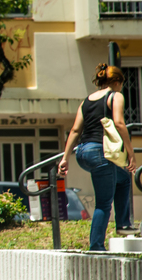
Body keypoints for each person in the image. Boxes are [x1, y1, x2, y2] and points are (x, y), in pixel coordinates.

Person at [58, 63, 137, 251]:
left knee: (123, 179)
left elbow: (76, 130)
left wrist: (65, 158)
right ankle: (96, 246)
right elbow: (119, 122)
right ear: (117, 82)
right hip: (101, 153)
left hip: (83, 152)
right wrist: (130, 152)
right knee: (103, 202)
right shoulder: (115, 96)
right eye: (121, 84)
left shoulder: (86, 101)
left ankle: (123, 223)